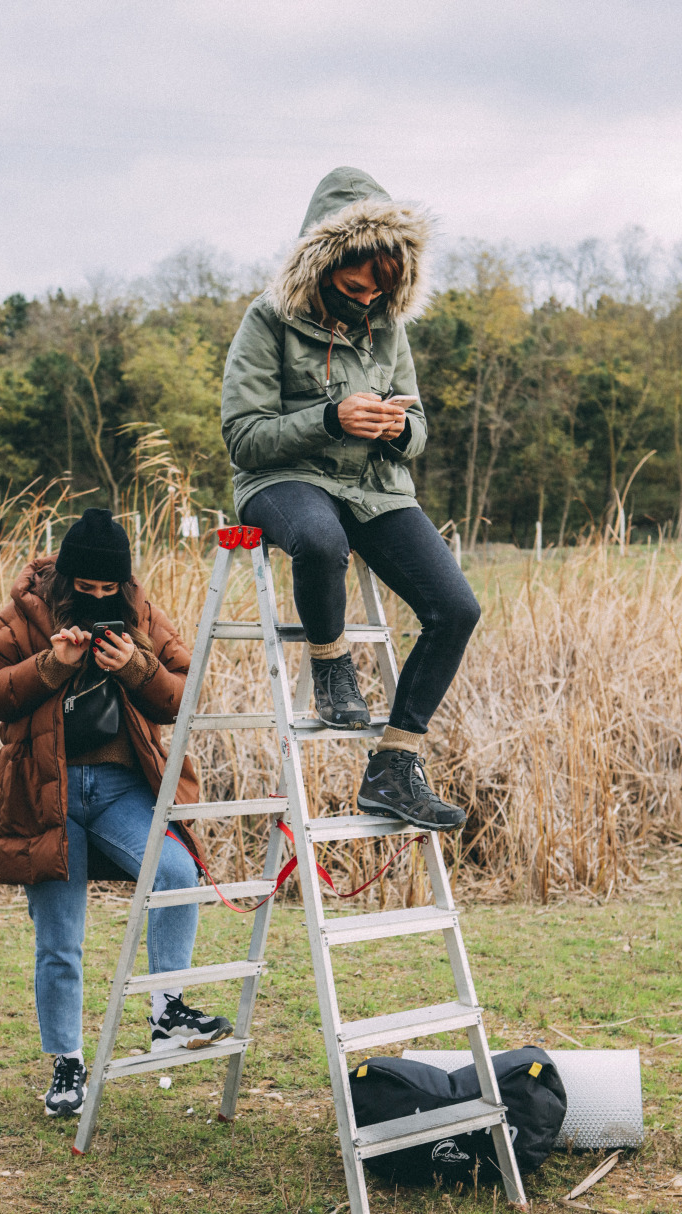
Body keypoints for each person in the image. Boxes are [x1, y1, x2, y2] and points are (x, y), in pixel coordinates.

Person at [221, 166, 480, 831]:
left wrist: (399, 428)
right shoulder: (266, 320)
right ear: (322, 263)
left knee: (456, 608)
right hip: (285, 482)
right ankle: (332, 667)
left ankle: (395, 764)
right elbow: (244, 439)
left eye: (382, 288)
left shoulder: (389, 328)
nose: (367, 299)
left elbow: (418, 430)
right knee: (318, 540)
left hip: (375, 487)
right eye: (353, 286)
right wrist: (331, 418)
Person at [0, 508, 231, 1118]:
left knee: (174, 872)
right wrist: (51, 666)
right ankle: (67, 1065)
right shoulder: (24, 610)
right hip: (46, 794)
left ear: (121, 581)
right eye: (83, 589)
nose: (94, 597)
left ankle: (168, 1011)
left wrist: (135, 666)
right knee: (60, 942)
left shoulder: (141, 610)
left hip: (121, 789)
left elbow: (186, 692)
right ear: (64, 577)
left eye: (105, 588)